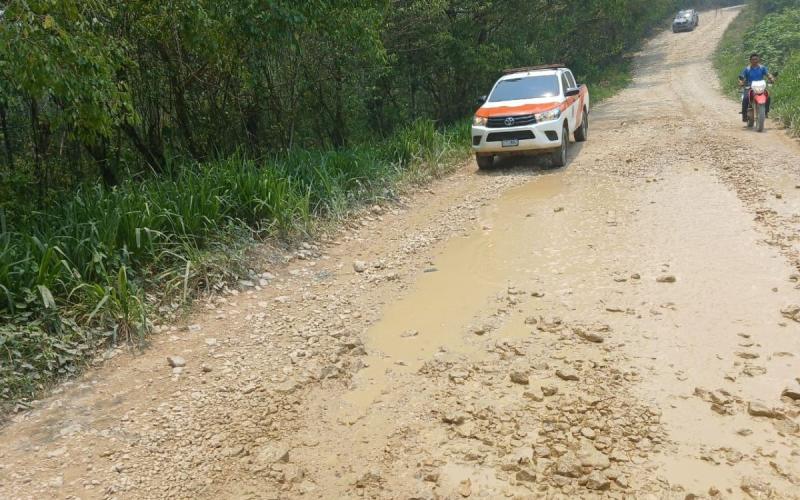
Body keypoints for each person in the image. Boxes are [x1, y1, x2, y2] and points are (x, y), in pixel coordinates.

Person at [738, 53, 774, 123]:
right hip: (749, 87)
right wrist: (741, 82)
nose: (755, 61)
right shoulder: (747, 69)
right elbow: (741, 77)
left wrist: (771, 78)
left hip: (760, 87)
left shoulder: (762, 68)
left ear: (759, 59)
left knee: (768, 96)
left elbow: (768, 74)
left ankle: (766, 112)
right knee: (745, 98)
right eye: (753, 59)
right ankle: (744, 115)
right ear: (750, 60)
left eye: (756, 59)